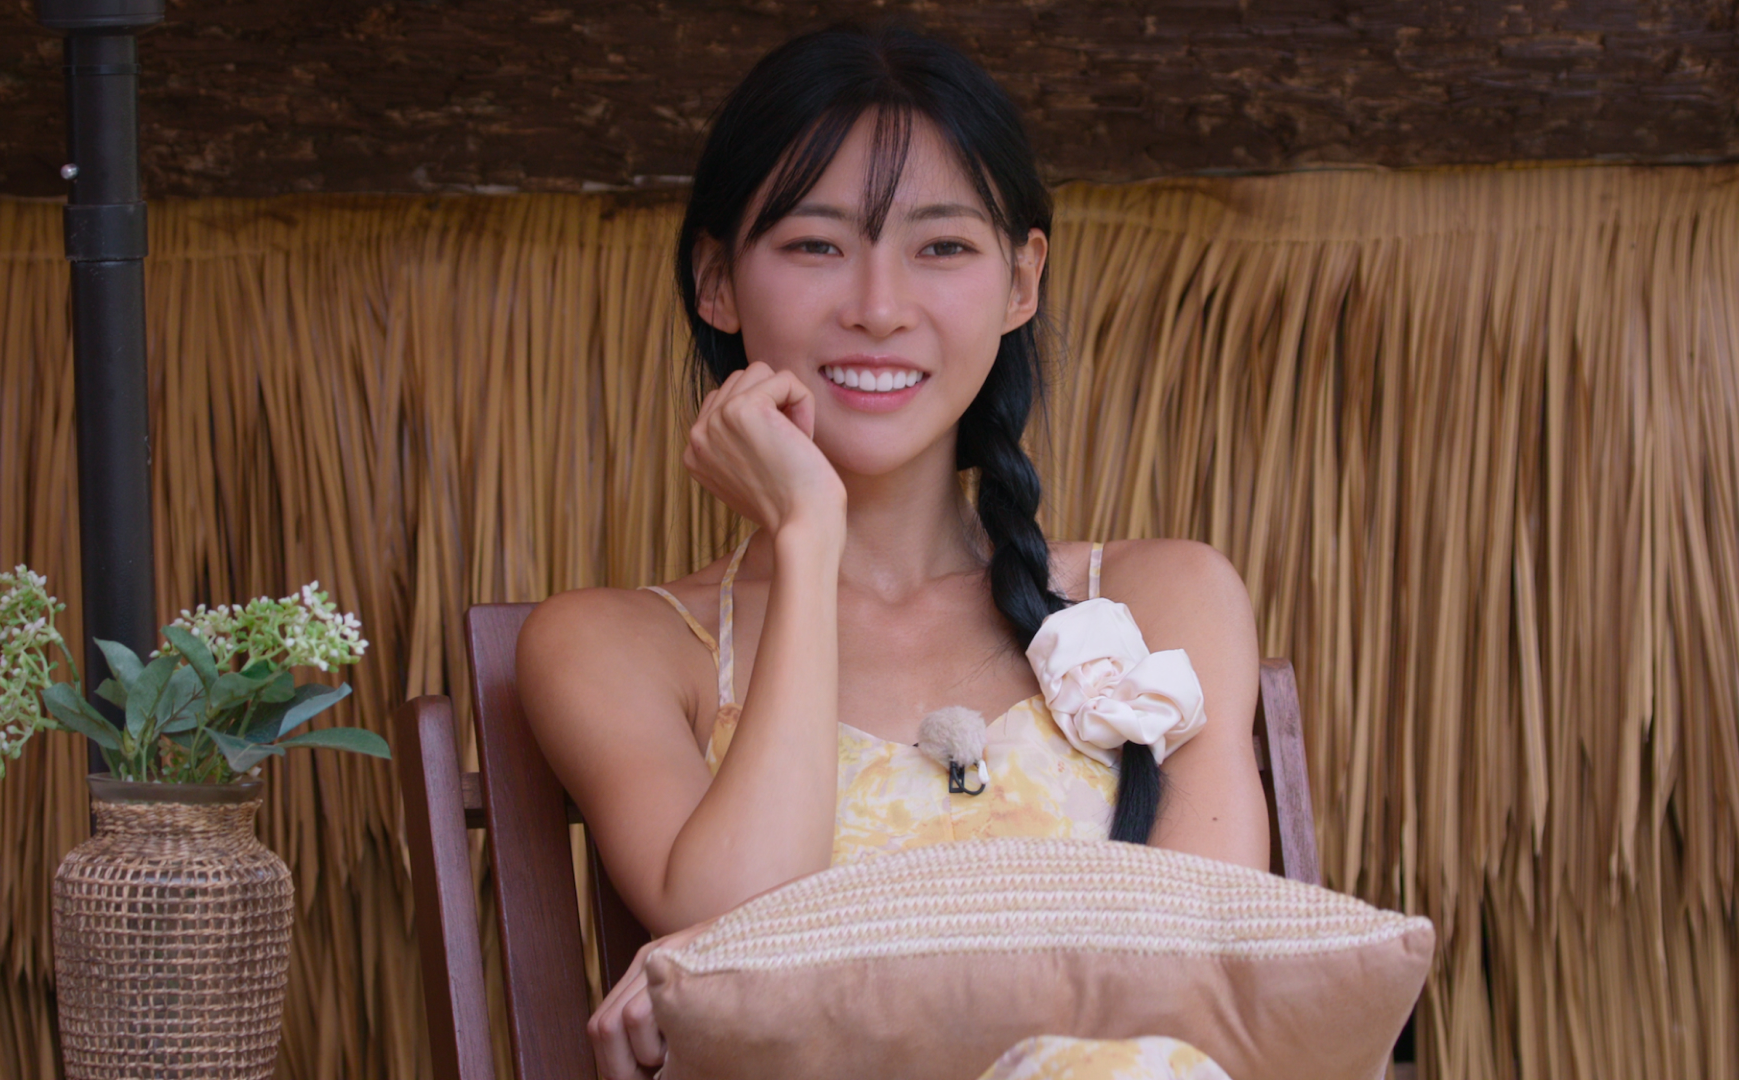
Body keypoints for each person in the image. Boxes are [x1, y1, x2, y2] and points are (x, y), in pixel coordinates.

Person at [517, 24, 1269, 1080]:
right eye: (815, 245)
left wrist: (818, 966)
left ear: (1021, 281)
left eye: (942, 247)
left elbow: (1212, 963)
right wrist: (806, 535)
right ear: (716, 279)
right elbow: (749, 952)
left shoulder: (1168, 595)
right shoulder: (616, 646)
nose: (878, 309)